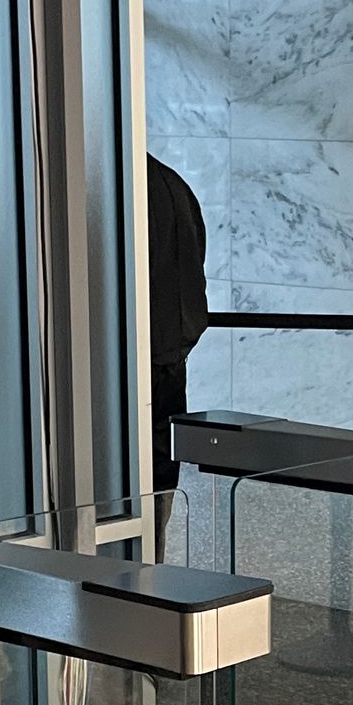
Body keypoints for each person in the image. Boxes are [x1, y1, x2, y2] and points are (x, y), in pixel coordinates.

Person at [146, 153, 209, 527]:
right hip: (167, 361)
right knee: (155, 488)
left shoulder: (119, 188)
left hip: (134, 367)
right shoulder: (171, 184)